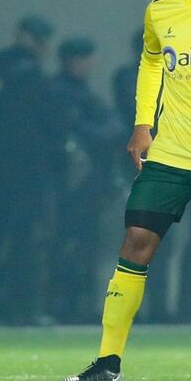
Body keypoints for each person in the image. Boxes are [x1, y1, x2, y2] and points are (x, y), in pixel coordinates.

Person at [0, 16, 55, 324]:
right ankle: (23, 307)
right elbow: (48, 123)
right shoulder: (31, 76)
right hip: (28, 171)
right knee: (26, 240)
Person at [50, 37, 124, 322]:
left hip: (90, 186)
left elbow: (112, 127)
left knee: (85, 245)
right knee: (68, 244)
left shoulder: (80, 92)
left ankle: (77, 304)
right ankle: (65, 305)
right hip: (72, 187)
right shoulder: (60, 93)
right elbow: (98, 130)